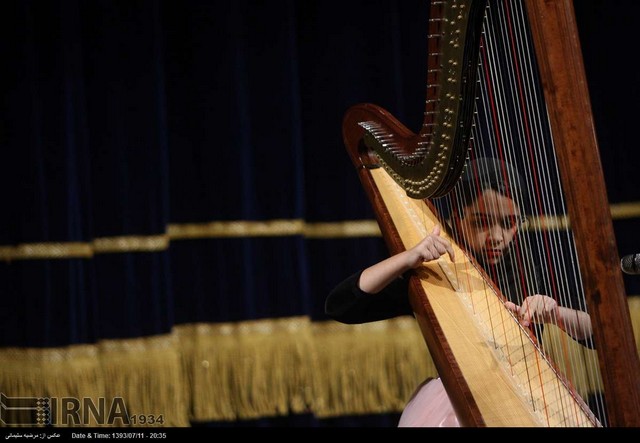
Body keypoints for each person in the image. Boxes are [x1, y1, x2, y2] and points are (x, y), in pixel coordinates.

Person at [324, 157, 594, 427]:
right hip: (458, 401)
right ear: (457, 217)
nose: (498, 236)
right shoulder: (435, 273)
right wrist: (407, 259)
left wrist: (555, 313)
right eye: (481, 222)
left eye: (509, 222)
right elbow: (341, 305)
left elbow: (594, 333)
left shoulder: (529, 266)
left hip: (533, 398)